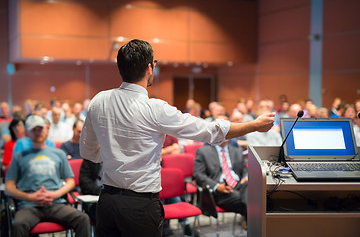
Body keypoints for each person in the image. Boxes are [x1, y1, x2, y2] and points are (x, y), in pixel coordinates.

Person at [80, 39, 275, 237]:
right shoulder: (154, 108)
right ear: (150, 68)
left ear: (120, 68)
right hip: (139, 206)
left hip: (106, 202)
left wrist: (115, 156)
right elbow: (209, 131)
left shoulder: (99, 100)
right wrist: (255, 126)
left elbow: (88, 152)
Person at [5, 115, 90, 237]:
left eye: (40, 128)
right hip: (29, 206)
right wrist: (30, 197)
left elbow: (70, 181)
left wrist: (56, 194)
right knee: (18, 225)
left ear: (46, 130)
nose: (38, 132)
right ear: (27, 133)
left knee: (83, 219)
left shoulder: (59, 154)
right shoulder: (19, 157)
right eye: (34, 129)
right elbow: (8, 188)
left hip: (56, 202)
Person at [193, 126, 249, 220]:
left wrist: (245, 177)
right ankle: (256, 225)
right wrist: (217, 186)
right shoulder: (203, 152)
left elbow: (245, 170)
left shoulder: (237, 151)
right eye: (222, 133)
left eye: (227, 133)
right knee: (255, 201)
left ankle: (251, 223)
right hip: (219, 190)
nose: (225, 136)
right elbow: (198, 175)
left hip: (239, 185)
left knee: (250, 187)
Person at [79, 159, 102, 223]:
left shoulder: (117, 161)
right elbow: (84, 181)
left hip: (113, 197)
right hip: (93, 197)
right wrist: (100, 191)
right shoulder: (90, 159)